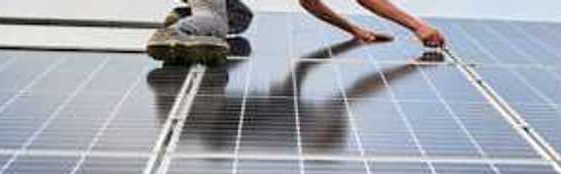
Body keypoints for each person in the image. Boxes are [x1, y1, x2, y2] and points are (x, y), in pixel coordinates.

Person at [148, 0, 446, 65]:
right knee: (218, 23)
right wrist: (418, 26)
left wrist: (354, 29)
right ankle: (178, 32)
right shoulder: (294, 126)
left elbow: (310, 2)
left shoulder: (294, 126)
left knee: (240, 18)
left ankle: (188, 16)